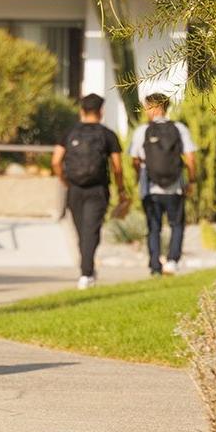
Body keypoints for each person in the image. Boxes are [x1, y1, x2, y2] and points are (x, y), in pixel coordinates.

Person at [52, 94, 129, 289]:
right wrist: (121, 190)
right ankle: (87, 273)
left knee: (81, 232)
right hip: (98, 188)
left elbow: (55, 161)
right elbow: (117, 167)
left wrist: (64, 180)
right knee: (92, 231)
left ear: (81, 111)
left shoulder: (69, 132)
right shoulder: (108, 135)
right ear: (101, 112)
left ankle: (86, 271)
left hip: (75, 188)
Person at [129, 92, 198, 276]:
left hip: (150, 187)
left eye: (146, 107)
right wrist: (191, 180)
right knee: (177, 224)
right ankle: (172, 261)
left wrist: (139, 176)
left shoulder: (142, 131)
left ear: (155, 107)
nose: (145, 111)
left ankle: (155, 266)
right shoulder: (179, 128)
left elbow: (134, 160)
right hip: (175, 187)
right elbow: (191, 157)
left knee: (154, 226)